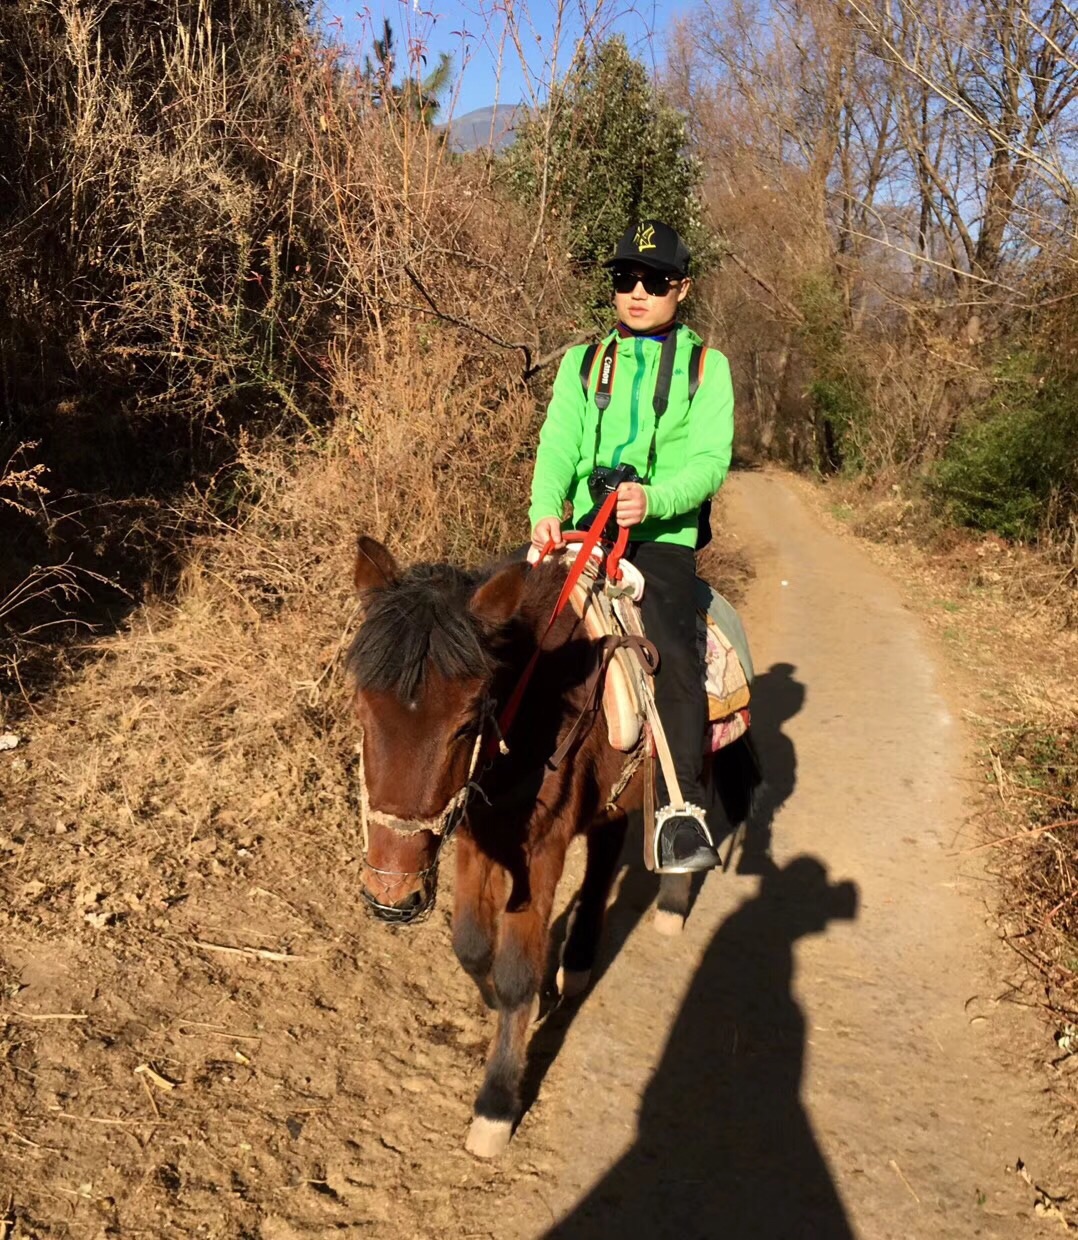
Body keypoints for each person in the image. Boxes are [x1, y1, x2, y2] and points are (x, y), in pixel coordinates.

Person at [528, 219, 735, 873]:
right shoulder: (583, 363)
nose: (637, 291)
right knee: (508, 624)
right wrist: (543, 511)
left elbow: (710, 460)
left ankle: (680, 813)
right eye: (625, 278)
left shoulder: (709, 367)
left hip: (660, 540)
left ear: (683, 288)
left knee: (672, 648)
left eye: (655, 280)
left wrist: (659, 499)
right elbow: (559, 443)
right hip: (581, 533)